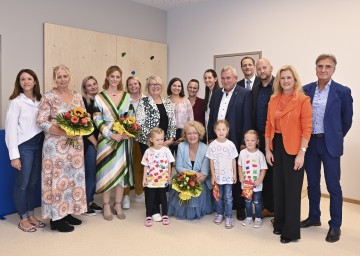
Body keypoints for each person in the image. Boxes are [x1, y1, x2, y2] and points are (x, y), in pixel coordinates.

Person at [301, 54, 353, 243]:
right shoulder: (306, 90)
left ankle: (335, 225)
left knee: (333, 186)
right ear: (315, 68)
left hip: (330, 144)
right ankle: (314, 216)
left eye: (327, 67)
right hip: (311, 143)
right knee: (312, 183)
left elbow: (346, 120)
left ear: (333, 69)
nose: (323, 70)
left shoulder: (342, 92)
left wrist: (335, 136)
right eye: (320, 66)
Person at [265, 65, 312, 243]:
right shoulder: (273, 99)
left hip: (294, 148)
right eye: (282, 78)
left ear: (295, 80)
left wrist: (302, 153)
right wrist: (268, 149)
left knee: (292, 191)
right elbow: (268, 125)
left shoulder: (302, 99)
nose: (285, 81)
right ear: (278, 80)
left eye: (289, 78)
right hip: (276, 145)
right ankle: (280, 223)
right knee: (279, 188)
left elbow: (307, 129)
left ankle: (290, 232)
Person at [37, 65, 86, 232]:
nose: (62, 79)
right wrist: (63, 131)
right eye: (59, 76)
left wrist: (77, 131)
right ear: (54, 79)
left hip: (75, 145)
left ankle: (69, 211)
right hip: (56, 146)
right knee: (58, 180)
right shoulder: (48, 97)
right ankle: (56, 218)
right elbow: (41, 121)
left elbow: (84, 119)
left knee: (73, 179)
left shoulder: (77, 96)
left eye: (65, 76)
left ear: (70, 77)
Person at [207, 66, 252, 221]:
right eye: (223, 78)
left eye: (229, 78)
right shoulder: (216, 93)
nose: (225, 81)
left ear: (235, 78)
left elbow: (247, 119)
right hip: (217, 141)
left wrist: (243, 142)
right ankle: (222, 207)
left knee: (236, 175)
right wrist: (211, 138)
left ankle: (239, 207)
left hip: (235, 142)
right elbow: (212, 116)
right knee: (219, 173)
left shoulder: (245, 94)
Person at [5, 69, 45, 232]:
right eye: (23, 79)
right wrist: (14, 156)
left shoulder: (40, 100)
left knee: (33, 182)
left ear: (35, 82)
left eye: (29, 79)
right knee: (23, 183)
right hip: (25, 146)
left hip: (39, 144)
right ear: (19, 83)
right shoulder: (16, 102)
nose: (26, 81)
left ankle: (30, 214)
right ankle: (23, 218)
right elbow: (10, 130)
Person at [93, 65, 134, 221]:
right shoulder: (99, 97)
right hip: (106, 139)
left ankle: (117, 203)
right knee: (106, 171)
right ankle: (106, 205)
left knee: (121, 172)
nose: (115, 79)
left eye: (118, 77)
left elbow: (130, 116)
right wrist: (111, 134)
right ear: (107, 77)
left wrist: (125, 132)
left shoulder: (127, 96)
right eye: (112, 76)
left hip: (123, 138)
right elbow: (97, 119)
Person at [136, 75, 176, 221]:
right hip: (149, 144)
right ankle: (152, 209)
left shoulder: (167, 101)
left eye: (158, 84)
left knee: (163, 173)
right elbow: (139, 123)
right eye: (152, 84)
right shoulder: (144, 101)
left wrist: (170, 139)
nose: (155, 86)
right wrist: (154, 141)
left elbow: (172, 122)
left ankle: (162, 206)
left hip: (165, 144)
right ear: (148, 87)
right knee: (151, 176)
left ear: (162, 86)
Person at [168, 121, 213, 220]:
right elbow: (179, 167)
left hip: (200, 180)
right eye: (189, 133)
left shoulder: (206, 148)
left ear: (199, 134)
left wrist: (195, 177)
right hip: (183, 176)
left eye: (194, 133)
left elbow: (204, 172)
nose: (192, 136)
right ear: (185, 135)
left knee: (198, 189)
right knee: (177, 186)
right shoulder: (181, 146)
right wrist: (193, 174)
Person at [206, 120, 238, 229]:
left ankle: (228, 216)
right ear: (215, 130)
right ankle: (220, 213)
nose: (221, 132)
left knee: (228, 197)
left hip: (228, 177)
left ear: (227, 130)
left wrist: (235, 174)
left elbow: (234, 160)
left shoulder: (231, 144)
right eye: (218, 129)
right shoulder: (212, 145)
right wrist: (213, 176)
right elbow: (211, 161)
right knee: (218, 197)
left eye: (223, 129)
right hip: (218, 177)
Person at [254, 58, 275, 219]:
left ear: (271, 68)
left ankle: (274, 207)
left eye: (264, 68)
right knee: (261, 172)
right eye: (259, 69)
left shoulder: (278, 87)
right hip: (258, 138)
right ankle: (266, 206)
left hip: (275, 138)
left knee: (274, 174)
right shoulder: (256, 89)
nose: (262, 71)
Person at [142, 128, 175, 227]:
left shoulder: (166, 150)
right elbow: (145, 166)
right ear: (151, 139)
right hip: (151, 180)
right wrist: (144, 179)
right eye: (157, 140)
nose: (160, 142)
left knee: (163, 197)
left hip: (162, 179)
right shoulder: (148, 151)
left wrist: (169, 176)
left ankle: (165, 214)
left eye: (162, 139)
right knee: (150, 198)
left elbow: (169, 164)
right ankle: (148, 215)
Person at [122, 76, 146, 209]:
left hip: (142, 138)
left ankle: (139, 192)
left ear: (139, 85)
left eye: (135, 84)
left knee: (140, 165)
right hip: (127, 137)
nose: (133, 86)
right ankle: (125, 195)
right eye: (130, 84)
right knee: (127, 167)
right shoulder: (124, 99)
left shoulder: (147, 99)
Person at [80, 76, 103, 216]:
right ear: (85, 89)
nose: (93, 87)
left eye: (95, 84)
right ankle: (85, 204)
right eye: (89, 85)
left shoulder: (99, 101)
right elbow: (84, 126)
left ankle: (90, 201)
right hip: (89, 143)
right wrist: (95, 143)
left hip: (99, 142)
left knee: (95, 174)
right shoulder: (83, 102)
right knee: (90, 175)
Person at [238, 130, 267, 228]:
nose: (250, 142)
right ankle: (249, 217)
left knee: (257, 201)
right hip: (246, 184)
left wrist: (260, 179)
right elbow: (240, 165)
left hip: (257, 184)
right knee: (247, 201)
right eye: (247, 140)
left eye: (252, 140)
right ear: (244, 141)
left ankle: (258, 218)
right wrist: (241, 175)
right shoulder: (242, 153)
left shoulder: (260, 155)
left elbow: (263, 169)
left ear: (257, 141)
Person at [167, 77, 194, 156]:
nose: (177, 88)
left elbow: (191, 120)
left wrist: (185, 135)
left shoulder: (186, 101)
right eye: (174, 85)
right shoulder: (165, 101)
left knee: (182, 159)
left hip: (183, 133)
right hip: (168, 134)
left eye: (179, 86)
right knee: (168, 160)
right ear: (170, 87)